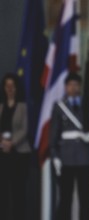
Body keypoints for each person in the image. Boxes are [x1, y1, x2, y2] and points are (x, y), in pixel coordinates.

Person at [49, 73, 89, 220]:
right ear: (65, 87)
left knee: (85, 200)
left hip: (85, 158)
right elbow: (53, 137)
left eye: (76, 84)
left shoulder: (88, 105)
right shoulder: (59, 107)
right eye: (70, 84)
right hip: (66, 158)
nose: (73, 87)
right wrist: (55, 157)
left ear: (80, 86)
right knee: (65, 199)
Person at [0, 73, 31, 220]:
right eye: (7, 86)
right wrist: (2, 142)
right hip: (3, 154)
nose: (10, 88)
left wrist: (12, 143)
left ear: (16, 88)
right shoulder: (0, 106)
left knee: (19, 191)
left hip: (19, 155)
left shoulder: (23, 107)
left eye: (12, 85)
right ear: (4, 88)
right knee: (3, 191)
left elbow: (24, 129)